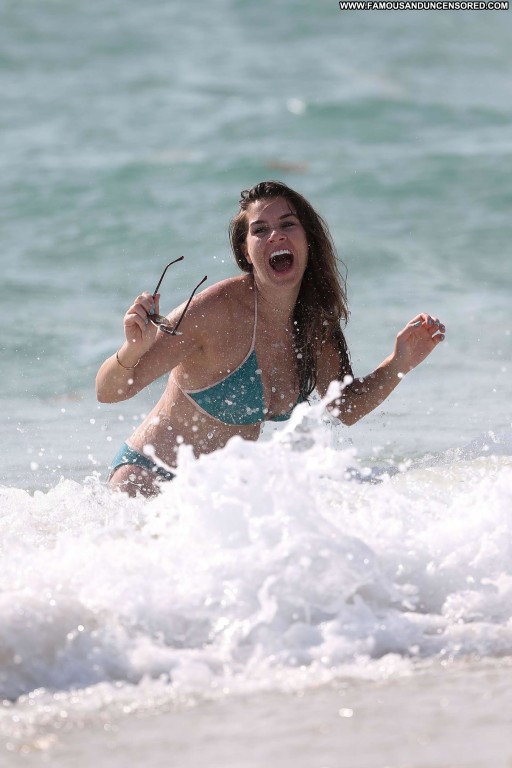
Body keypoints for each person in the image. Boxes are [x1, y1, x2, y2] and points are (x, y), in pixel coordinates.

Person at [96, 181, 445, 497]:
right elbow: (109, 392)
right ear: (246, 251)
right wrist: (131, 350)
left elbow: (344, 407)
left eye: (287, 225)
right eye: (260, 230)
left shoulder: (314, 327)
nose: (275, 235)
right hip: (147, 479)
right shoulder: (216, 311)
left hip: (216, 501)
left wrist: (399, 363)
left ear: (308, 239)